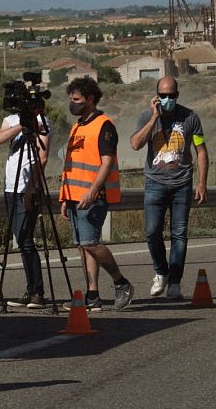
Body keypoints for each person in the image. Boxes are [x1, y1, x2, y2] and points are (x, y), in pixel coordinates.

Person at [129, 77, 208, 300]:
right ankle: (161, 272)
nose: (167, 99)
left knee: (179, 235)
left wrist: (202, 182)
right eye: (162, 95)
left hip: (182, 183)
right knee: (152, 232)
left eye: (171, 96)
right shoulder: (147, 117)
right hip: (155, 182)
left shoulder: (190, 117)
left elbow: (201, 150)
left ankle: (175, 283)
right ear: (156, 96)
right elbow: (135, 144)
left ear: (177, 95)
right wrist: (154, 116)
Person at [59, 77, 134, 311]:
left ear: (90, 99)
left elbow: (107, 162)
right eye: (71, 99)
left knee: (91, 243)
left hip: (93, 197)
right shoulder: (78, 126)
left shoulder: (104, 125)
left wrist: (92, 191)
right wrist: (65, 197)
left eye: (77, 99)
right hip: (74, 197)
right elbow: (73, 164)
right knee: (83, 246)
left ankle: (121, 283)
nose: (73, 104)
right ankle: (92, 295)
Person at [0, 104, 50, 308]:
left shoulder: (41, 121)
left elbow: (42, 157)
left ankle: (37, 292)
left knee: (26, 239)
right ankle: (31, 288)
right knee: (21, 239)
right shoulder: (10, 121)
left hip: (28, 189)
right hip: (10, 187)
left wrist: (29, 188)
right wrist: (20, 127)